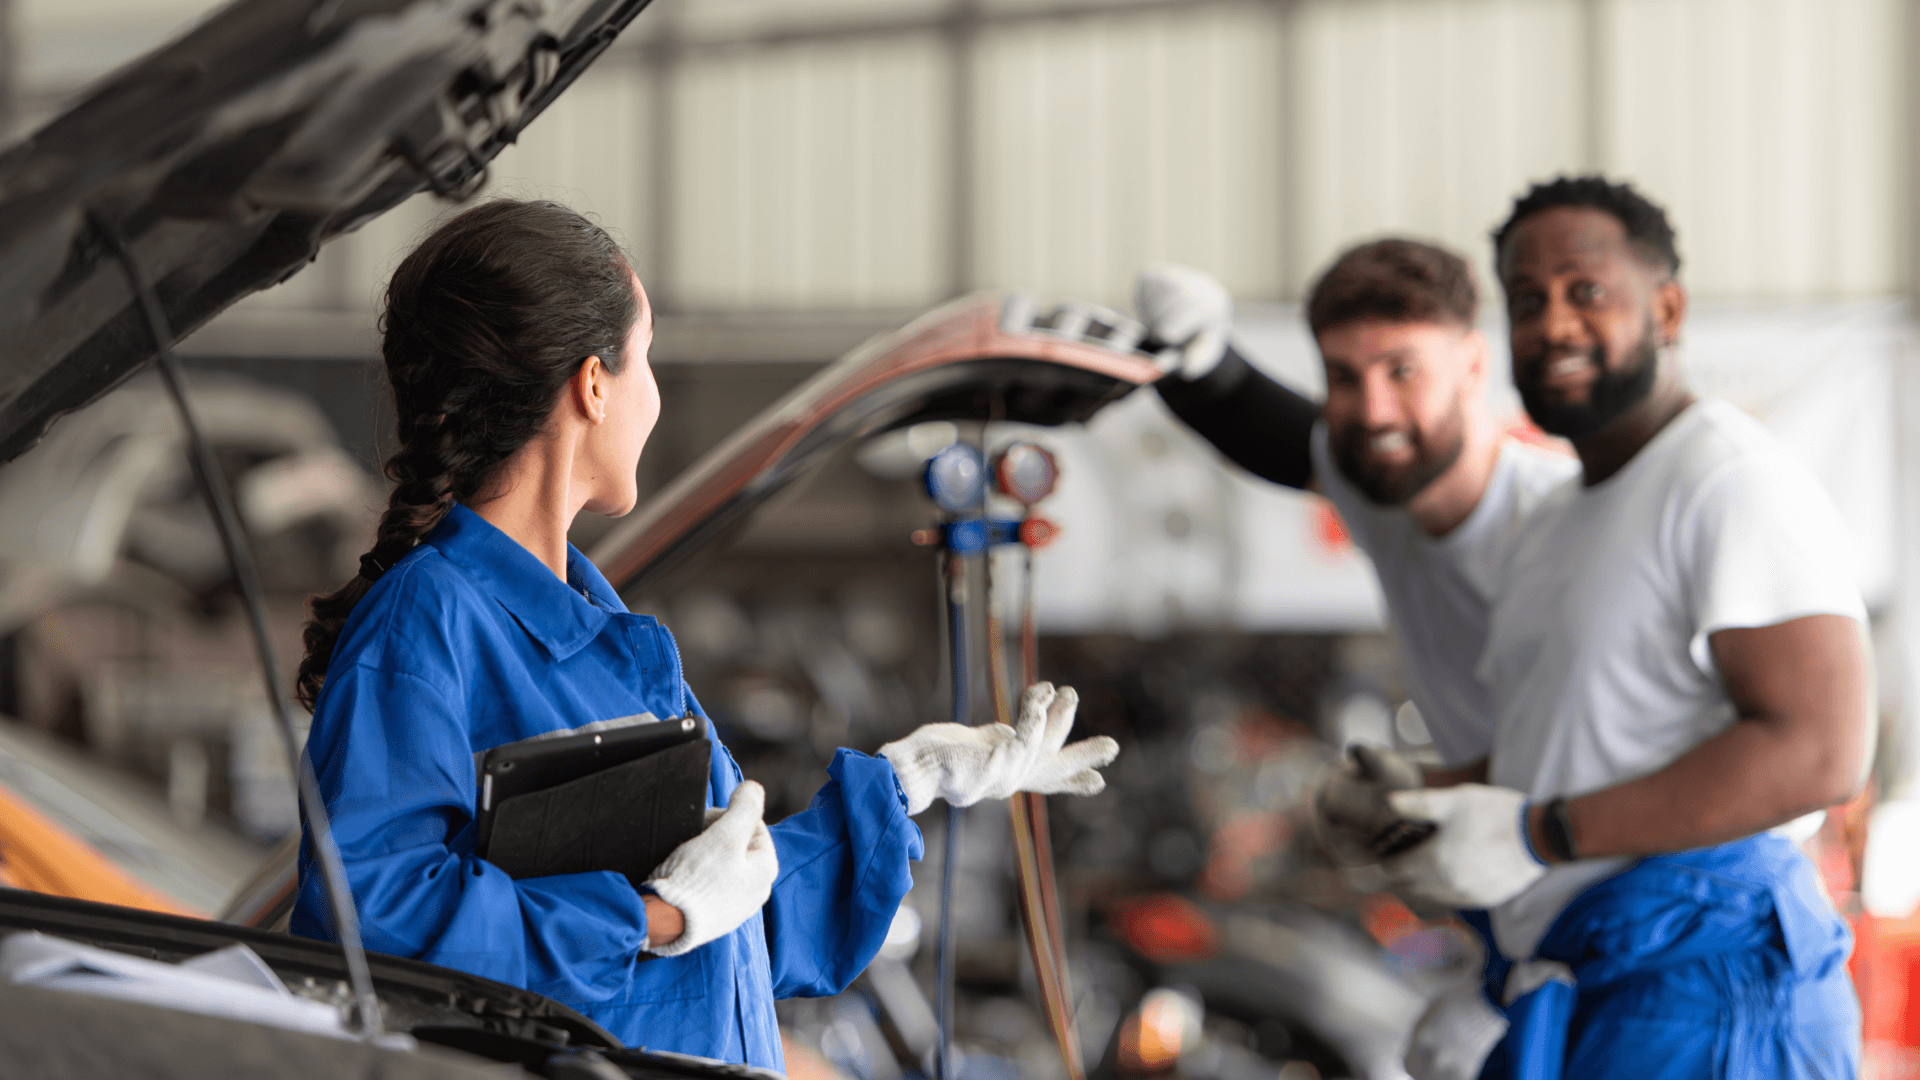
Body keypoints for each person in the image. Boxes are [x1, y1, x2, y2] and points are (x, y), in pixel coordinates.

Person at [286, 199, 1120, 1069]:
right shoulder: (429, 623)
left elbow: (732, 940)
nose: (653, 396)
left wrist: (907, 787)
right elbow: (376, 926)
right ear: (593, 382)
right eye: (647, 358)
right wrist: (658, 917)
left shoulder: (599, 634)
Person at [1380, 176, 1870, 1079]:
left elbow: (1821, 749)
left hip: (1709, 989)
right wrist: (1415, 800)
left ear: (1667, 308)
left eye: (1586, 291)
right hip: (1594, 983)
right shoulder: (1557, 518)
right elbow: (1573, 749)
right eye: (1527, 301)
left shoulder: (1727, 480)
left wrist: (1540, 835)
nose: (1554, 324)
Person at [1142, 245, 1577, 784]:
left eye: (1402, 371)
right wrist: (1193, 351)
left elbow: (1624, 750)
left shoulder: (1568, 526)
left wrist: (1441, 797)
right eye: (1344, 377)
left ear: (1473, 366)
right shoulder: (1385, 490)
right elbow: (1255, 424)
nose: (1375, 412)